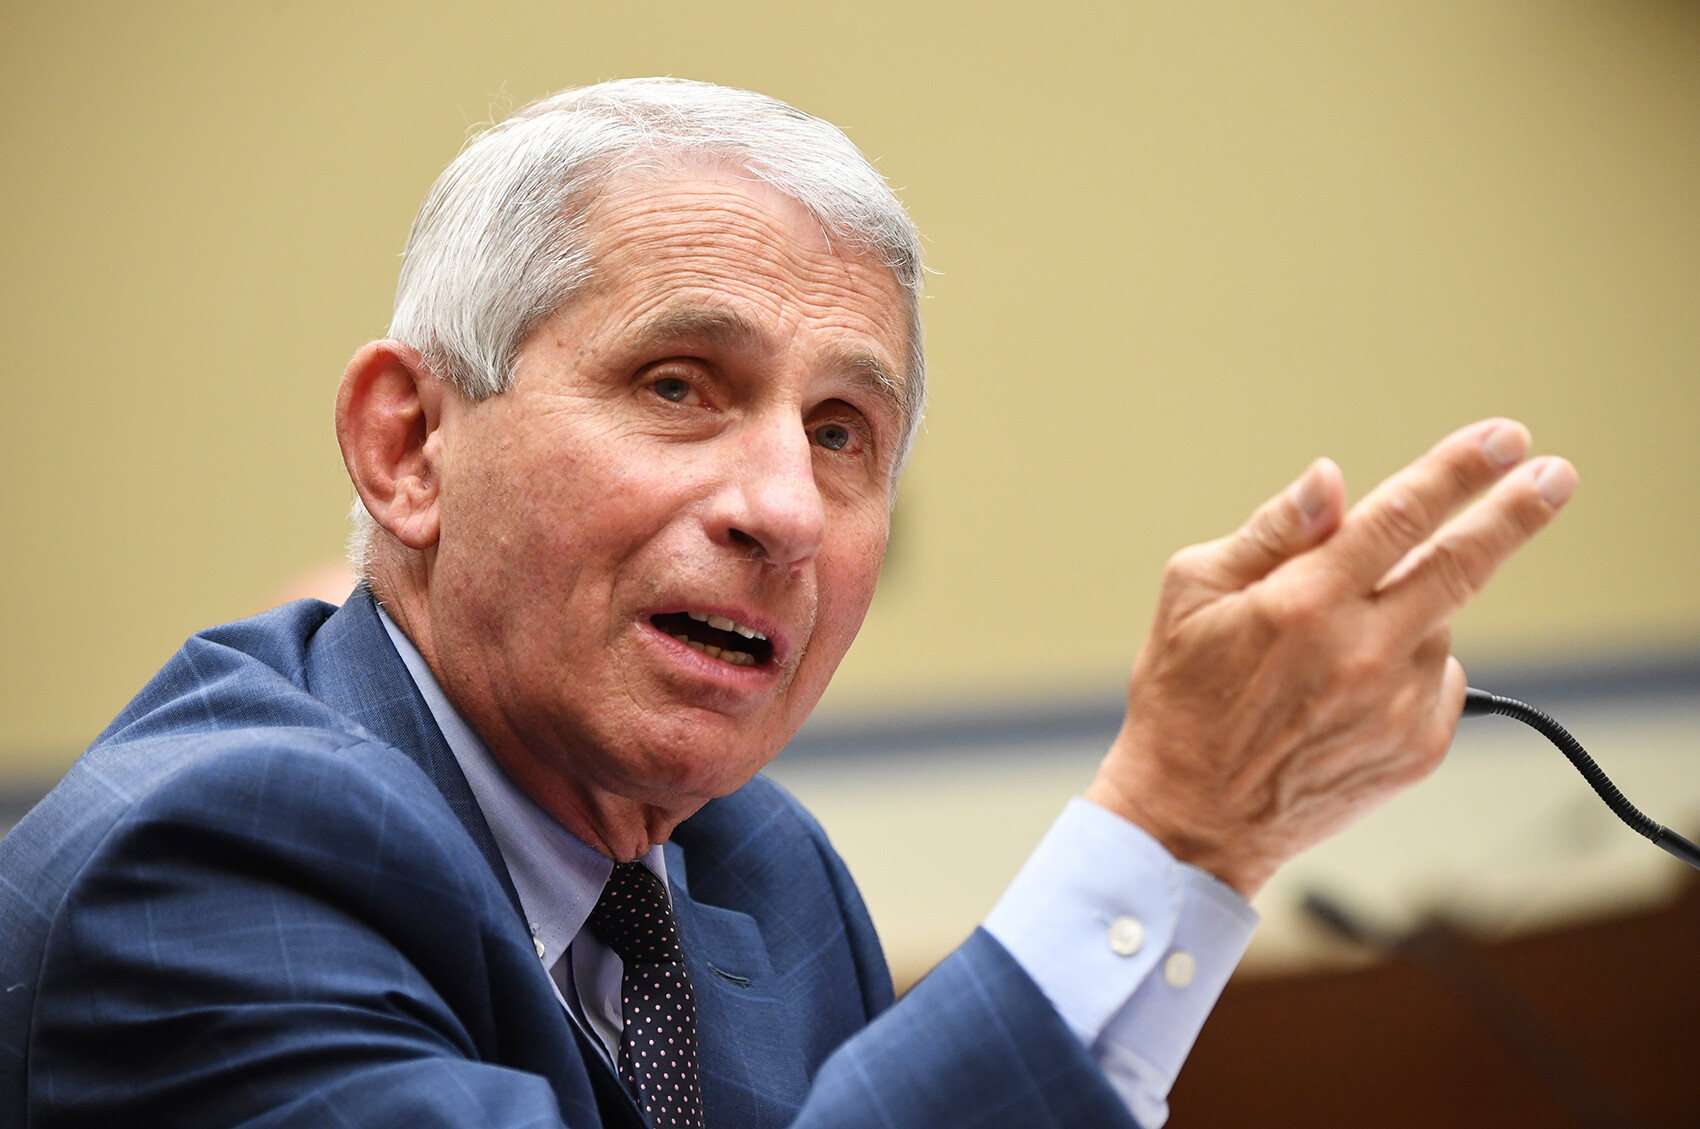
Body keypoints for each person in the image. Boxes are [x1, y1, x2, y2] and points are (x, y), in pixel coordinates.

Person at [0, 78, 1575, 1128]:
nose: (782, 510)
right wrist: (1171, 834)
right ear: (410, 446)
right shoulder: (207, 863)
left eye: (842, 433)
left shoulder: (759, 872)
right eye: (680, 384)